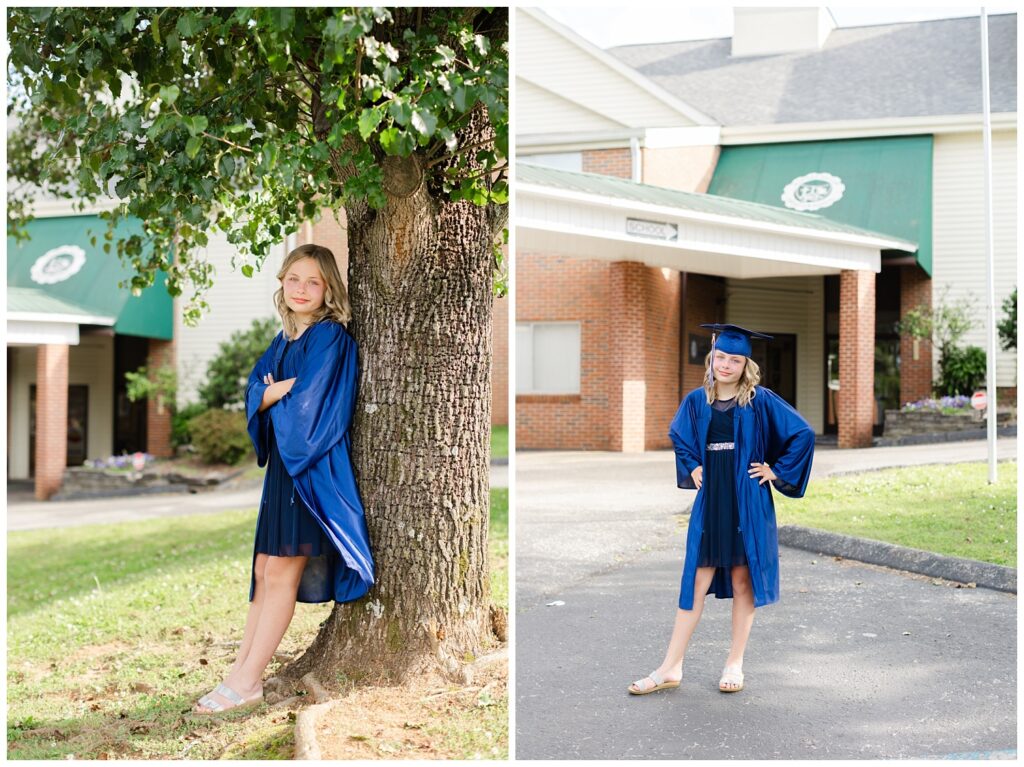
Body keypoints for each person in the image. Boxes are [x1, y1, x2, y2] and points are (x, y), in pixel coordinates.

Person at [194, 244, 375, 714]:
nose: (301, 289)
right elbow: (256, 389)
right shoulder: (285, 341)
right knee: (263, 571)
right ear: (282, 281)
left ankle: (248, 682)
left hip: (309, 470)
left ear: (328, 288)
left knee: (283, 574)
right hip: (282, 472)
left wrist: (272, 395)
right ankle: (239, 673)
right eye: (293, 278)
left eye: (313, 281)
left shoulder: (330, 338)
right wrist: (274, 390)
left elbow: (312, 409)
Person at [629, 324, 814, 696]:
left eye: (735, 359)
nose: (726, 365)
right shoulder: (696, 401)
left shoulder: (759, 400)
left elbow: (802, 433)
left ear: (746, 364)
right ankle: (670, 666)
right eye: (721, 357)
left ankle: (735, 662)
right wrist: (694, 465)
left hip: (747, 497)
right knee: (696, 582)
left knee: (744, 579)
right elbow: (679, 436)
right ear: (711, 358)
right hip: (713, 498)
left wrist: (775, 471)